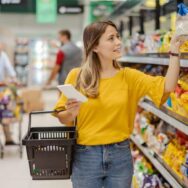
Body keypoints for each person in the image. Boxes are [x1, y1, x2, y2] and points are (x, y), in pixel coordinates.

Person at [53, 21, 185, 188]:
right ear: (94, 47)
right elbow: (62, 118)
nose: (118, 42)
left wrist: (174, 52)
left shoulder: (129, 77)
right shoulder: (77, 76)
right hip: (86, 156)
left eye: (117, 37)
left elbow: (168, 86)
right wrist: (71, 113)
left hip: (120, 155)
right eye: (111, 38)